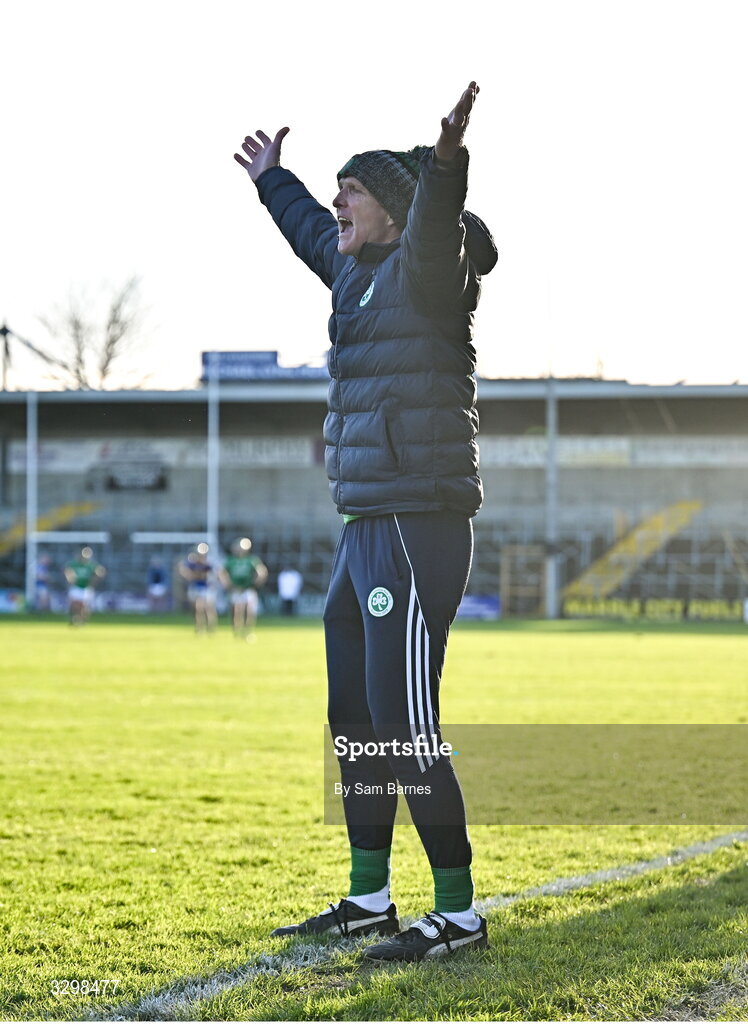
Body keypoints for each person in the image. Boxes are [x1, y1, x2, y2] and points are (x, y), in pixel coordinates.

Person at [234, 81, 496, 961]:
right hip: (363, 526)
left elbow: (436, 222)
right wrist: (276, 178)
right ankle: (370, 897)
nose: (339, 202)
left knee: (403, 718)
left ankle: (457, 913)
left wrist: (448, 160)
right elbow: (311, 226)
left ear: (396, 211)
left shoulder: (430, 273)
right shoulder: (351, 267)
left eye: (356, 192)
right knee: (354, 715)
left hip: (419, 525)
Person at [219, 537, 268, 639]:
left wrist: (258, 580)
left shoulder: (251, 559)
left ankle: (247, 631)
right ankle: (236, 631)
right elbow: (222, 572)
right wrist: (226, 583)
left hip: (248, 588)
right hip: (235, 588)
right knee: (235, 611)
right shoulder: (231, 560)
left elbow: (261, 571)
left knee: (248, 610)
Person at [179, 542, 218, 633]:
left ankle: (210, 627)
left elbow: (210, 575)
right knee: (197, 608)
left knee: (208, 608)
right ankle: (199, 627)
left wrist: (197, 575)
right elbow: (184, 570)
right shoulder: (193, 562)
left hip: (206, 588)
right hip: (196, 587)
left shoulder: (208, 563)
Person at [64, 546, 106, 625]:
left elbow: (101, 571)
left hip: (86, 587)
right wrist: (70, 577)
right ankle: (73, 619)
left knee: (84, 606)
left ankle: (83, 620)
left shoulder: (91, 565)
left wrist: (94, 579)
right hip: (76, 586)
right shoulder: (75, 563)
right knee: (73, 605)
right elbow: (68, 570)